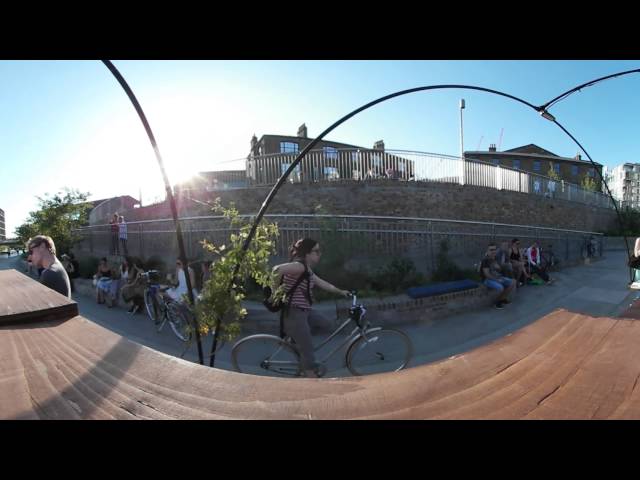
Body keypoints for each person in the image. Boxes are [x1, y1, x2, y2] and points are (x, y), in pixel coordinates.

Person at [271, 238, 350, 378]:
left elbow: (322, 283)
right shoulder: (299, 266)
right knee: (308, 352)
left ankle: (297, 342)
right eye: (316, 251)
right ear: (307, 253)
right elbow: (276, 270)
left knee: (326, 324)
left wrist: (341, 292)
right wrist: (275, 292)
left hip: (305, 311)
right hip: (295, 313)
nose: (319, 254)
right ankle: (310, 376)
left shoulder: (306, 270)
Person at [480, 242, 515, 309]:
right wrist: (498, 280)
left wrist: (499, 269)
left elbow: (498, 269)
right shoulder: (485, 260)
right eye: (491, 250)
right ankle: (497, 303)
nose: (493, 251)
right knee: (500, 287)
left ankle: (502, 299)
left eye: (494, 249)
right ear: (487, 251)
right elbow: (486, 274)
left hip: (497, 277)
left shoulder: (494, 258)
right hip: (487, 280)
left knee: (512, 282)